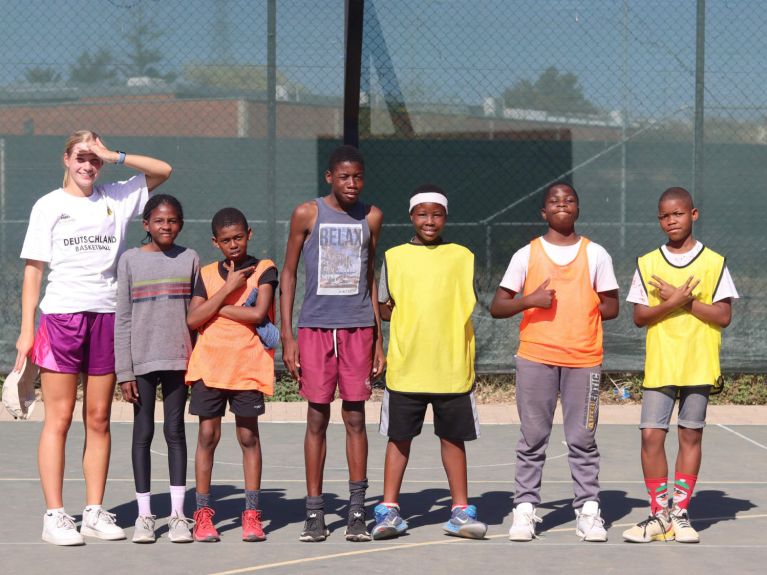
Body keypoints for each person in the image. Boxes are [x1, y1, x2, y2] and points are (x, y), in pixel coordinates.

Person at [15, 130, 172, 546]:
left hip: (107, 316)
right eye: (81, 157)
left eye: (94, 159)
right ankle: (54, 515)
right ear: (65, 159)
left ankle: (93, 511)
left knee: (99, 418)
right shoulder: (49, 205)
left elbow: (163, 171)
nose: (88, 165)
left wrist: (114, 154)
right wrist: (27, 328)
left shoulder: (117, 197)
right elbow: (33, 270)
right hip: (61, 317)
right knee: (60, 418)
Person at [490, 181, 619, 542]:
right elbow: (499, 306)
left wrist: (586, 302)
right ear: (544, 212)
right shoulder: (526, 255)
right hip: (537, 357)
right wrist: (530, 299)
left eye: (570, 200)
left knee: (582, 438)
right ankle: (526, 508)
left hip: (584, 359)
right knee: (533, 437)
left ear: (578, 209)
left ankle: (588, 510)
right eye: (554, 201)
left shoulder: (596, 255)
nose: (562, 204)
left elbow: (612, 307)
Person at [280, 145, 384, 542]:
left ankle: (357, 511)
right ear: (329, 178)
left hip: (357, 329)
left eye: (358, 176)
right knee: (317, 417)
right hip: (315, 329)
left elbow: (370, 277)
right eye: (344, 177)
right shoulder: (307, 213)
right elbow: (288, 274)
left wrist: (378, 340)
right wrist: (288, 335)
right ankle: (315, 512)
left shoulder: (371, 217)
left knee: (355, 418)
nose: (352, 184)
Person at [371, 185, 487, 541]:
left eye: (436, 214)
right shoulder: (394, 257)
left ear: (446, 217)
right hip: (407, 367)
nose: (429, 220)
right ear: (411, 217)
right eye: (422, 213)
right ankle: (389, 510)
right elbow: (383, 306)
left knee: (454, 440)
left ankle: (460, 511)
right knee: (399, 439)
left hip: (452, 367)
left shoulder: (463, 256)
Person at [622, 187, 737, 544]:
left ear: (693, 215)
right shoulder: (646, 262)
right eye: (664, 215)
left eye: (678, 214)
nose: (671, 220)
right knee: (651, 435)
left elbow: (723, 316)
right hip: (661, 363)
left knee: (691, 435)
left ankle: (681, 514)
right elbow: (640, 317)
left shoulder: (714, 262)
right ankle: (660, 514)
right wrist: (673, 302)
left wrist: (685, 302)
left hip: (699, 363)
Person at [185, 207, 277, 543]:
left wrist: (215, 307)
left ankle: (252, 515)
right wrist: (225, 291)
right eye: (226, 240)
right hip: (209, 366)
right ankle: (203, 515)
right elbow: (193, 320)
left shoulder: (264, 269)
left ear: (249, 234)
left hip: (247, 366)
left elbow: (258, 312)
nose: (233, 244)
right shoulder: (208, 274)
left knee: (248, 438)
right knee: (207, 437)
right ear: (215, 242)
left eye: (238, 237)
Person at [114, 194, 198, 544]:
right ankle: (145, 515)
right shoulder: (130, 261)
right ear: (146, 224)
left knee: (175, 431)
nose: (167, 226)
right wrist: (125, 371)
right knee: (143, 433)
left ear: (180, 224)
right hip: (141, 362)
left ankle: (178, 515)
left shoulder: (190, 258)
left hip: (179, 359)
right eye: (160, 220)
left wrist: (197, 359)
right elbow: (123, 318)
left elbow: (198, 314)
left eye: (173, 220)